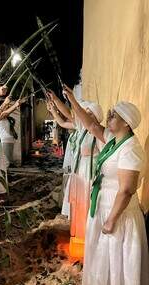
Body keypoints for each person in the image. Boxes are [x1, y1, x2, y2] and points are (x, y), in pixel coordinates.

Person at [63, 85, 149, 285]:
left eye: (114, 115)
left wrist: (112, 218)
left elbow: (127, 189)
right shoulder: (113, 139)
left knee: (114, 250)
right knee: (103, 250)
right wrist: (72, 99)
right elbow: (90, 125)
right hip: (102, 204)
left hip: (117, 210)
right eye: (110, 114)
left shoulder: (130, 149)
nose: (109, 117)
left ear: (126, 123)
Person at [47, 93, 103, 261]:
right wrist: (54, 106)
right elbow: (65, 120)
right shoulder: (82, 129)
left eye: (88, 113)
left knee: (87, 205)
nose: (83, 115)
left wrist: (60, 101)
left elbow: (71, 115)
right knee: (78, 206)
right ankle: (78, 235)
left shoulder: (96, 132)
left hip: (89, 172)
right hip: (79, 171)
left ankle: (88, 238)